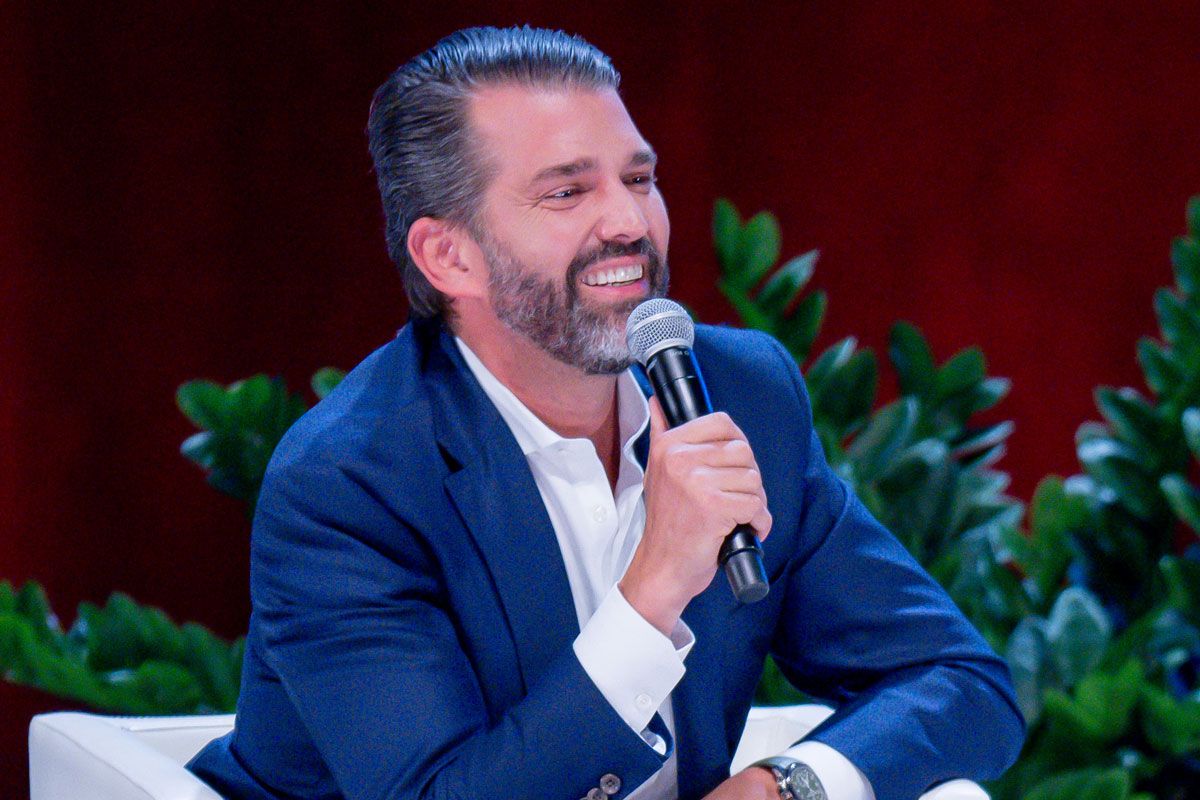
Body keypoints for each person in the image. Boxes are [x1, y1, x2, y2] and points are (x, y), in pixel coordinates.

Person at [188, 26, 1024, 800]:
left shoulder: (744, 392)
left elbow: (961, 683)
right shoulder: (348, 482)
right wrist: (655, 586)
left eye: (639, 179)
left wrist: (786, 787)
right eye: (566, 192)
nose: (630, 223)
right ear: (449, 256)